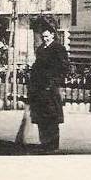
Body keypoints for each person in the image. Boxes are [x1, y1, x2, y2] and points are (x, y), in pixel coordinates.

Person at [28, 24, 70, 152]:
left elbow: (63, 67)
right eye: (43, 36)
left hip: (50, 87)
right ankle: (44, 141)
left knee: (52, 115)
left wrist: (54, 81)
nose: (44, 38)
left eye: (46, 36)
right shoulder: (41, 49)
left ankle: (52, 143)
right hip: (39, 87)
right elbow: (37, 66)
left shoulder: (58, 48)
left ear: (52, 34)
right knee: (41, 115)